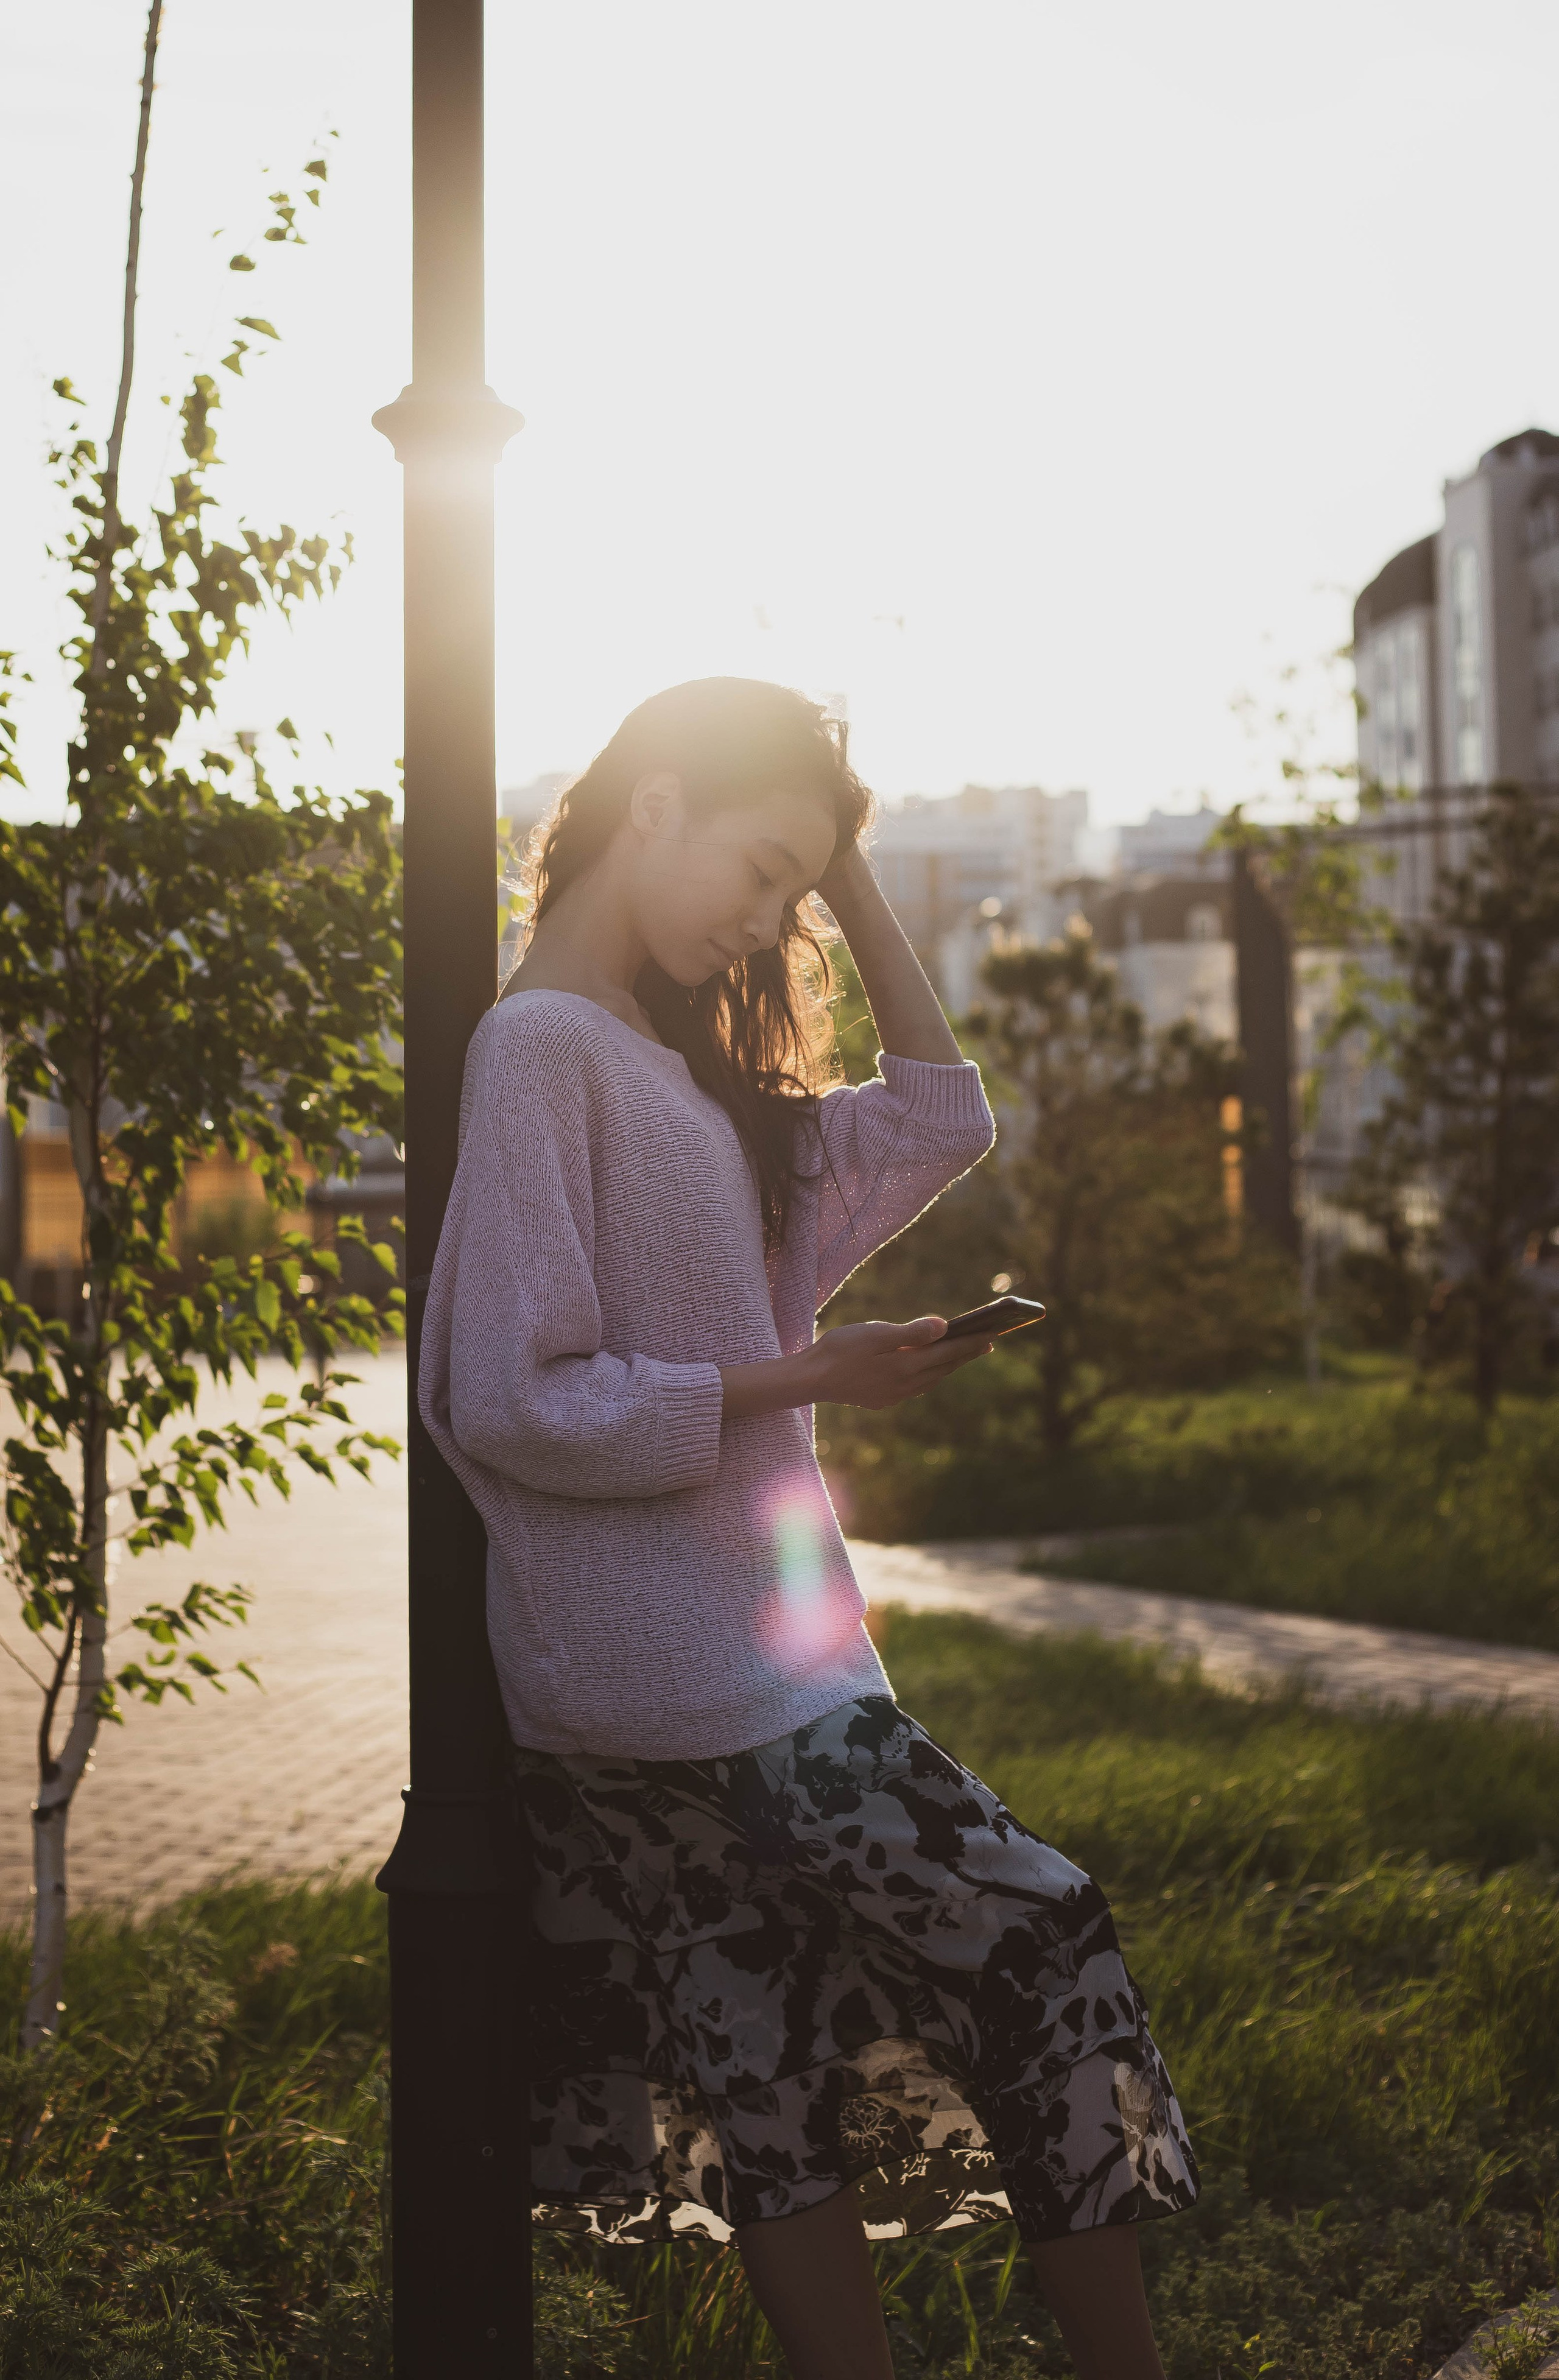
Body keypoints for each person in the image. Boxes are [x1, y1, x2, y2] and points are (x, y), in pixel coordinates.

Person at [418, 678, 1198, 2380]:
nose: (764, 920)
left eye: (795, 897)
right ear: (655, 804)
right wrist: (797, 1376)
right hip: (710, 1687)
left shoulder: (676, 1067)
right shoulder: (545, 1049)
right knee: (1047, 1943)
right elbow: (511, 1392)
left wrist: (844, 866)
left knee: (762, 2075)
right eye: (756, 870)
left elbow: (937, 1114)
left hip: (677, 1685)